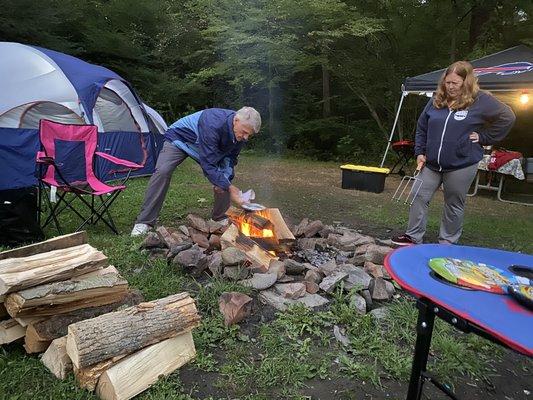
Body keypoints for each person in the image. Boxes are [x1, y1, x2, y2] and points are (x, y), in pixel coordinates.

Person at [392, 61, 515, 246]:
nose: (450, 87)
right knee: (419, 194)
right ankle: (412, 236)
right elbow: (422, 126)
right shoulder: (436, 99)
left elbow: (508, 117)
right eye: (447, 82)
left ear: (466, 82)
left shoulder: (480, 100)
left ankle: (447, 241)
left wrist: (484, 137)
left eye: (455, 83)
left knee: (453, 203)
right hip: (432, 163)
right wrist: (420, 152)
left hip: (461, 164)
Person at [131, 107, 261, 236]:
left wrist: (226, 182)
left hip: (208, 147)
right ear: (236, 120)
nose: (245, 137)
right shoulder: (213, 123)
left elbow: (230, 159)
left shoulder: (240, 135)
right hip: (181, 139)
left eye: (249, 134)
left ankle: (219, 219)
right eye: (244, 132)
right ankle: (145, 221)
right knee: (163, 171)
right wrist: (230, 188)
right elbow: (208, 164)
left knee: (223, 179)